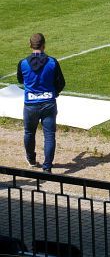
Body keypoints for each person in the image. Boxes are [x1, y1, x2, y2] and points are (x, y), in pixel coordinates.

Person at [17, 33, 65, 173]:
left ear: (29, 44)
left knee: (29, 132)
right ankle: (47, 167)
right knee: (49, 135)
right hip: (48, 103)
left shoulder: (23, 63)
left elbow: (20, 80)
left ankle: (31, 159)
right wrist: (54, 93)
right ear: (44, 45)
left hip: (30, 104)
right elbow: (61, 83)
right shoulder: (52, 62)